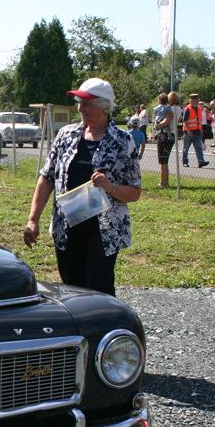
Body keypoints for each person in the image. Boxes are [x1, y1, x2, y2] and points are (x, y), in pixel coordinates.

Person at [23, 78, 141, 296]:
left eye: (87, 103)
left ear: (105, 107)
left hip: (103, 232)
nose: (81, 108)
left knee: (99, 290)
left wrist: (110, 187)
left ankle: (106, 329)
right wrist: (33, 219)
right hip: (66, 229)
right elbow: (47, 177)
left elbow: (134, 193)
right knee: (70, 288)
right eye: (80, 102)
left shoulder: (123, 141)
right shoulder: (66, 135)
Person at [152, 92, 179, 188]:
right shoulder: (173, 109)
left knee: (163, 160)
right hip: (168, 135)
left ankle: (164, 183)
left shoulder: (168, 109)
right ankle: (164, 181)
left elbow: (167, 120)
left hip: (164, 136)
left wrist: (157, 125)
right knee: (164, 160)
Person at [181, 93, 210, 168]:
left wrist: (201, 130)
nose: (196, 101)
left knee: (198, 147)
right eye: (195, 100)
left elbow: (199, 120)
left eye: (197, 100)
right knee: (186, 148)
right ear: (191, 100)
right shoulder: (187, 109)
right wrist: (188, 130)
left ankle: (201, 162)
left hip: (197, 131)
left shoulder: (199, 108)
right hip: (188, 132)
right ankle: (185, 162)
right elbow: (185, 121)